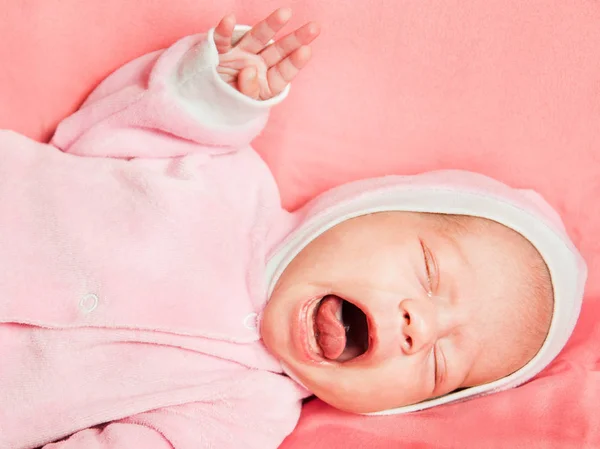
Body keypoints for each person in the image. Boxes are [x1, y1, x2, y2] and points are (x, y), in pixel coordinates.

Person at [0, 7, 586, 449]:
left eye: (437, 367)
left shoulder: (248, 414)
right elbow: (100, 135)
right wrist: (214, 95)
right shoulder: (226, 176)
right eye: (429, 271)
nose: (417, 327)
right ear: (364, 209)